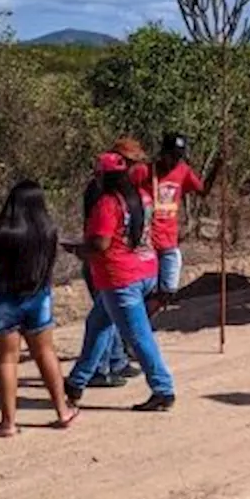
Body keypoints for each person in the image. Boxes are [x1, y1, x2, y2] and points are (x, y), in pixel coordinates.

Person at [64, 152, 176, 412]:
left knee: (138, 336)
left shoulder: (107, 203)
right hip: (145, 269)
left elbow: (100, 243)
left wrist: (77, 249)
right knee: (98, 323)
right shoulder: (144, 196)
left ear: (104, 176)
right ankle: (76, 382)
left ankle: (163, 389)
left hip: (119, 279)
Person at [0, 180, 79, 436]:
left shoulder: (4, 232)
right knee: (46, 352)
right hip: (38, 296)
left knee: (6, 359)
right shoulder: (48, 231)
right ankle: (63, 410)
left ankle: (8, 423)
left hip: (5, 298)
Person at [78, 137, 148, 386]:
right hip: (102, 261)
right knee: (104, 316)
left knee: (108, 317)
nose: (133, 167)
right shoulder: (102, 191)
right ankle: (99, 368)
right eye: (129, 162)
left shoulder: (118, 188)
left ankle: (116, 361)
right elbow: (101, 235)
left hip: (115, 260)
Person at [131, 132, 208, 316]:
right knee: (145, 290)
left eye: (178, 156)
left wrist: (218, 167)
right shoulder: (144, 172)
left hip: (169, 241)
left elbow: (201, 190)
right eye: (172, 156)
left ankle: (141, 323)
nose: (174, 161)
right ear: (162, 153)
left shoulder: (183, 171)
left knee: (168, 290)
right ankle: (134, 330)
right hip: (146, 242)